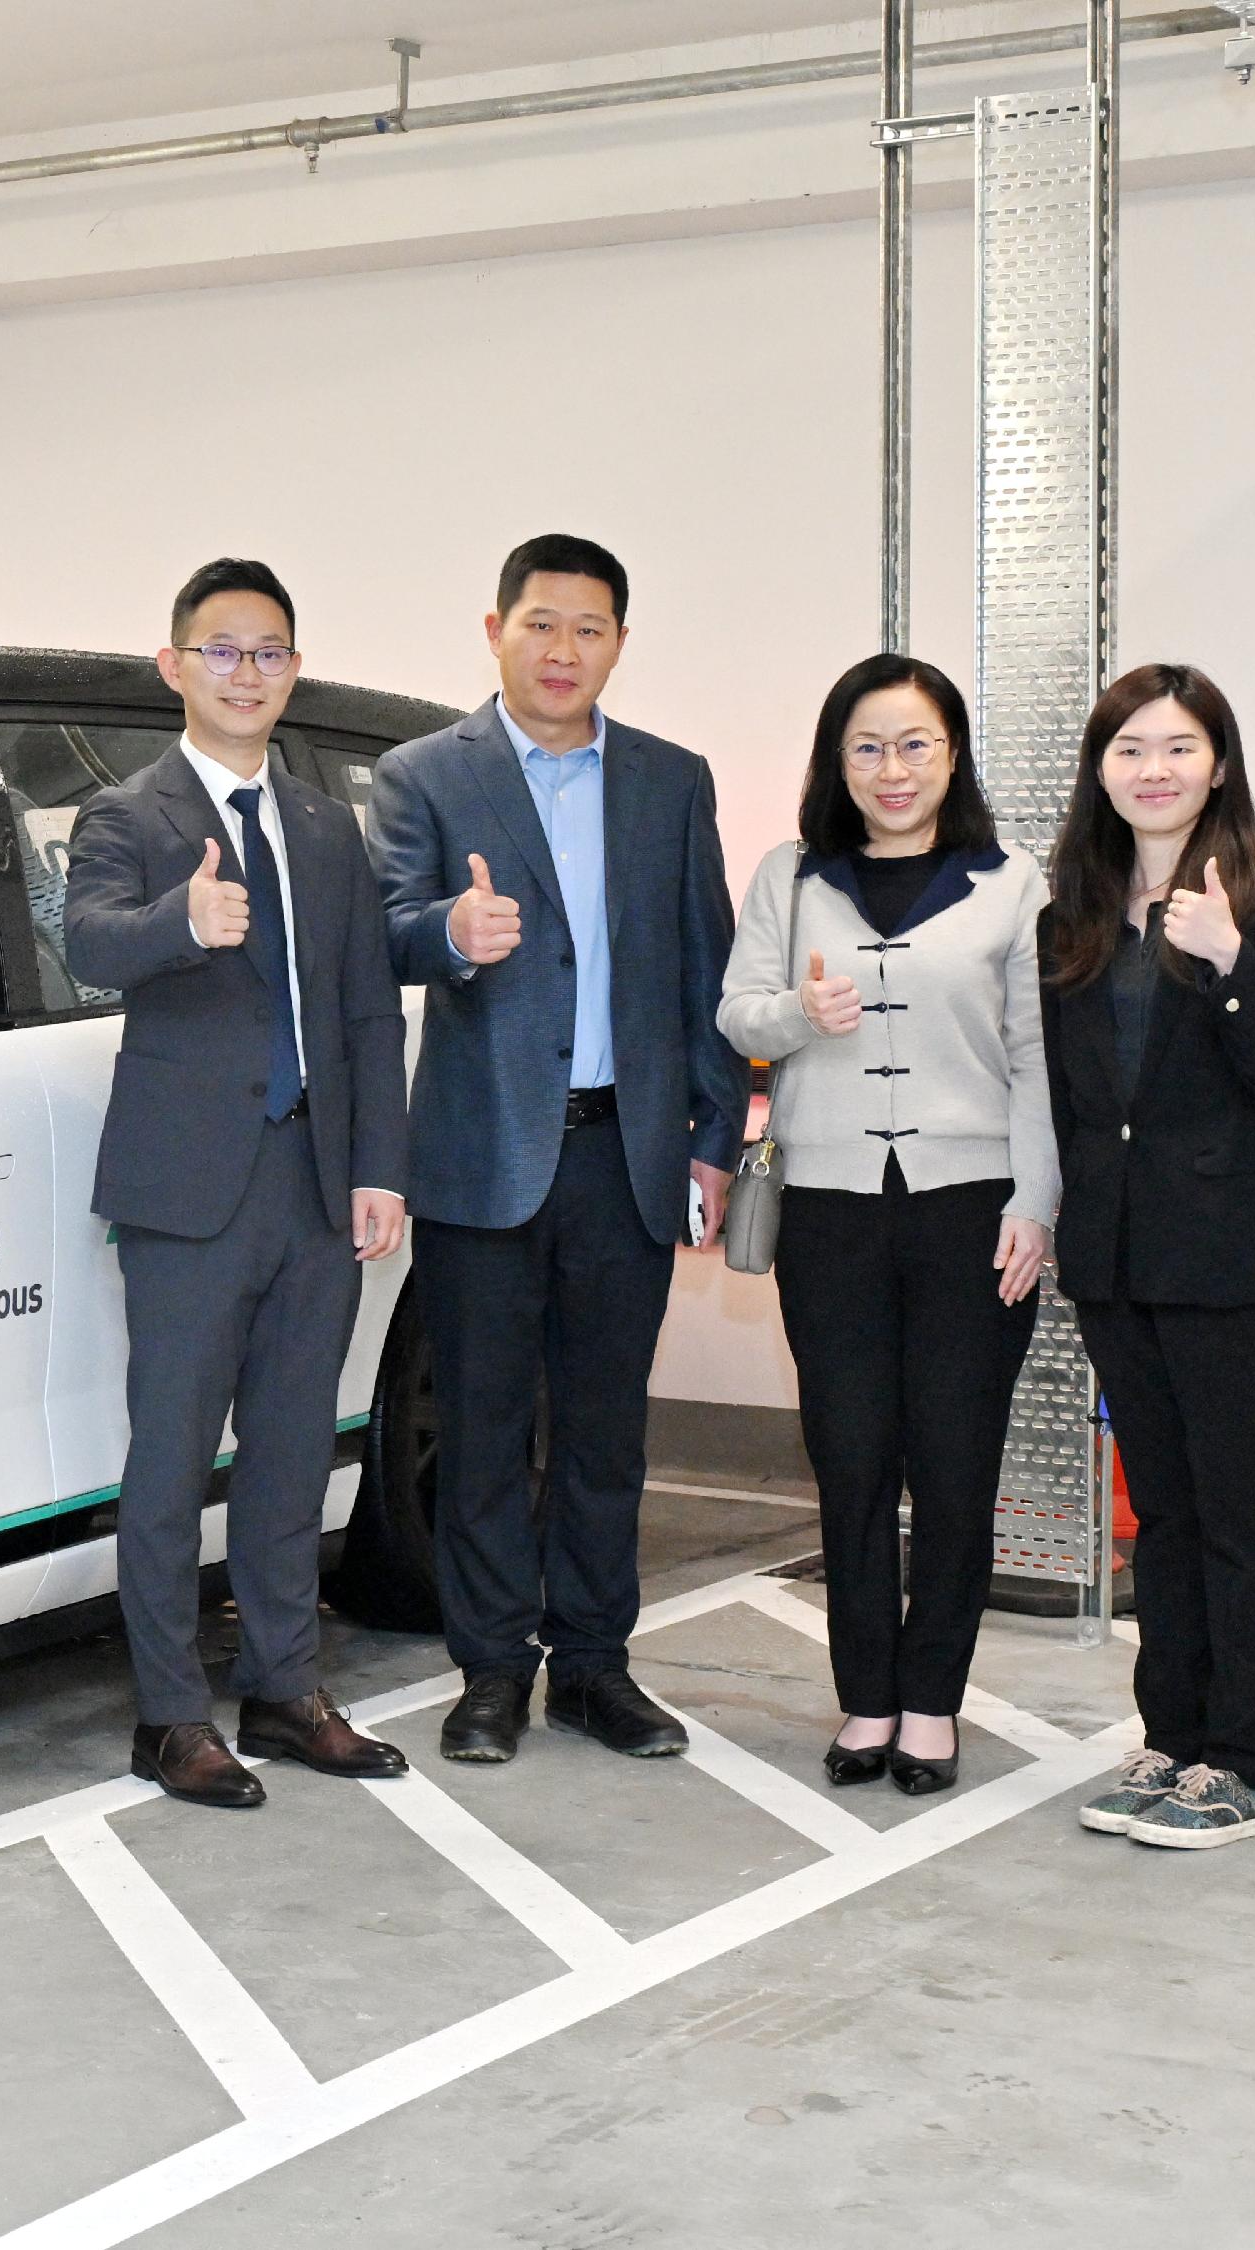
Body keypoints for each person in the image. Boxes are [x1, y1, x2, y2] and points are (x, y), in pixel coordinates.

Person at [374, 534, 748, 1766]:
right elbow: (380, 931)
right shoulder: (424, 775)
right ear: (496, 631)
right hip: (483, 1153)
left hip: (625, 1155)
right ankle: (491, 1672)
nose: (562, 650)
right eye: (540, 624)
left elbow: (704, 967)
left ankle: (594, 1665)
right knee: (482, 1430)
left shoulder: (669, 781)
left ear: (618, 645)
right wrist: (449, 930)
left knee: (604, 1433)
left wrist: (712, 1136)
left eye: (588, 629)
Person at [61, 557, 413, 1808]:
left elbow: (368, 1008)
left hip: (314, 1179)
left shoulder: (323, 827)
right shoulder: (127, 815)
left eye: (268, 652)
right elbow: (86, 942)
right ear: (175, 667)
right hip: (187, 1192)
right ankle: (170, 1717)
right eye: (222, 650)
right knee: (169, 1462)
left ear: (293, 671)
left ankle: (283, 1689)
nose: (245, 672)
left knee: (291, 1452)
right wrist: (181, 922)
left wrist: (379, 1167)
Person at [714, 655, 1053, 1797]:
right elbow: (737, 1014)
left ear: (952, 756)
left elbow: (1037, 1058)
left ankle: (931, 1701)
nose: (891, 769)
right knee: (850, 1457)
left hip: (973, 1208)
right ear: (836, 761)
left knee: (955, 1462)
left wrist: (1036, 1201)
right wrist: (798, 1015)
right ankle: (866, 1697)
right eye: (867, 747)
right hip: (829, 1211)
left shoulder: (1010, 881)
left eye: (915, 745)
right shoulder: (792, 874)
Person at [1036, 665, 1255, 1849]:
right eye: (1128, 749)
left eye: (1177, 747)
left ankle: (1239, 1761)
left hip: (1231, 1258)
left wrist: (1227, 963)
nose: (1152, 769)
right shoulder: (1072, 912)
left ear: (1217, 766)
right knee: (1157, 1514)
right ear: (1099, 771)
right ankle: (1169, 1737)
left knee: (1233, 1512)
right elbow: (1064, 1095)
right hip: (1113, 1256)